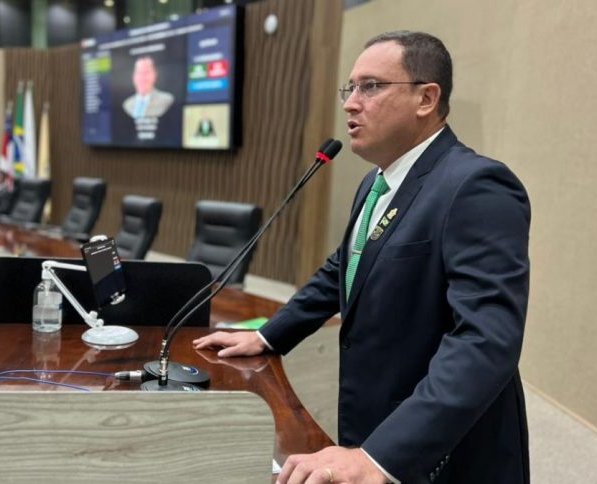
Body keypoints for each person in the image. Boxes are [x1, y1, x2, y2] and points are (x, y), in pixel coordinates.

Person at [193, 31, 530, 483]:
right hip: (376, 420)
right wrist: (270, 335)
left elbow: (485, 342)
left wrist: (381, 457)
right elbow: (344, 269)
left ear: (426, 98)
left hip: (441, 449)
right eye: (349, 88)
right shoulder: (376, 183)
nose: (351, 104)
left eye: (370, 87)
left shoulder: (476, 186)